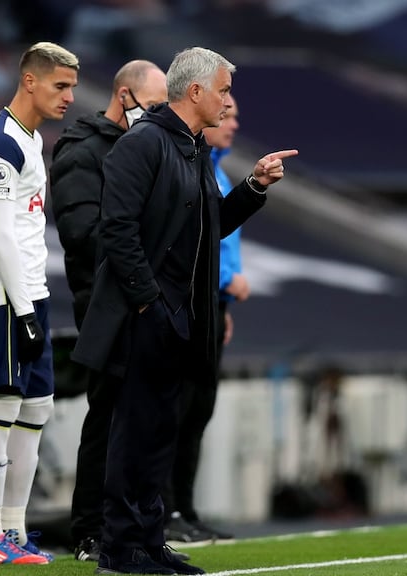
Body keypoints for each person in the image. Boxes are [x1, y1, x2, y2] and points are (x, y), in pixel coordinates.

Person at [71, 46, 297, 575]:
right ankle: (120, 548)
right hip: (144, 316)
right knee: (132, 433)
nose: (227, 101)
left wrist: (254, 187)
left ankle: (149, 539)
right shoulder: (143, 142)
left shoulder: (190, 148)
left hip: (181, 317)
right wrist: (149, 301)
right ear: (194, 92)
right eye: (222, 90)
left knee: (159, 435)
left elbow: (209, 223)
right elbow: (117, 230)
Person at [0, 41, 79, 566]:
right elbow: (3, 236)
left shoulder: (30, 139)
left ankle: (15, 529)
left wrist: (35, 302)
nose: (69, 97)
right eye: (60, 86)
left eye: (72, 87)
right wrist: (25, 310)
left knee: (36, 410)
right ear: (30, 81)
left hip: (32, 292)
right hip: (1, 297)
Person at [48, 58, 170, 563]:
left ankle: (136, 524)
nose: (161, 114)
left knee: (145, 417)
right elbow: (82, 234)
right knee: (108, 415)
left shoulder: (147, 146)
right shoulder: (82, 151)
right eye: (156, 104)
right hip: (102, 300)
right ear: (125, 96)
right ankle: (89, 529)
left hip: (143, 297)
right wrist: (140, 252)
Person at [163, 94, 245, 544]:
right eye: (226, 115)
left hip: (213, 305)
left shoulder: (218, 169)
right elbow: (197, 239)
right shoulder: (190, 164)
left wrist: (224, 304)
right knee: (177, 410)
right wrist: (229, 280)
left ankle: (185, 509)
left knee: (198, 412)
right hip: (192, 302)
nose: (231, 124)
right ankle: (167, 509)